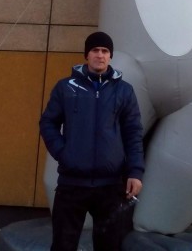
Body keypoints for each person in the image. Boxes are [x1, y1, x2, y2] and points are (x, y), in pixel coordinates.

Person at [40, 31, 144, 251]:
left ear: (110, 56)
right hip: (72, 183)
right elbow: (48, 123)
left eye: (105, 51)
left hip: (110, 186)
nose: (100, 55)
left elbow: (133, 133)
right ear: (86, 55)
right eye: (95, 50)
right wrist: (63, 153)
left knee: (109, 246)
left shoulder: (124, 91)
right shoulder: (65, 87)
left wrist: (135, 172)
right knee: (63, 245)